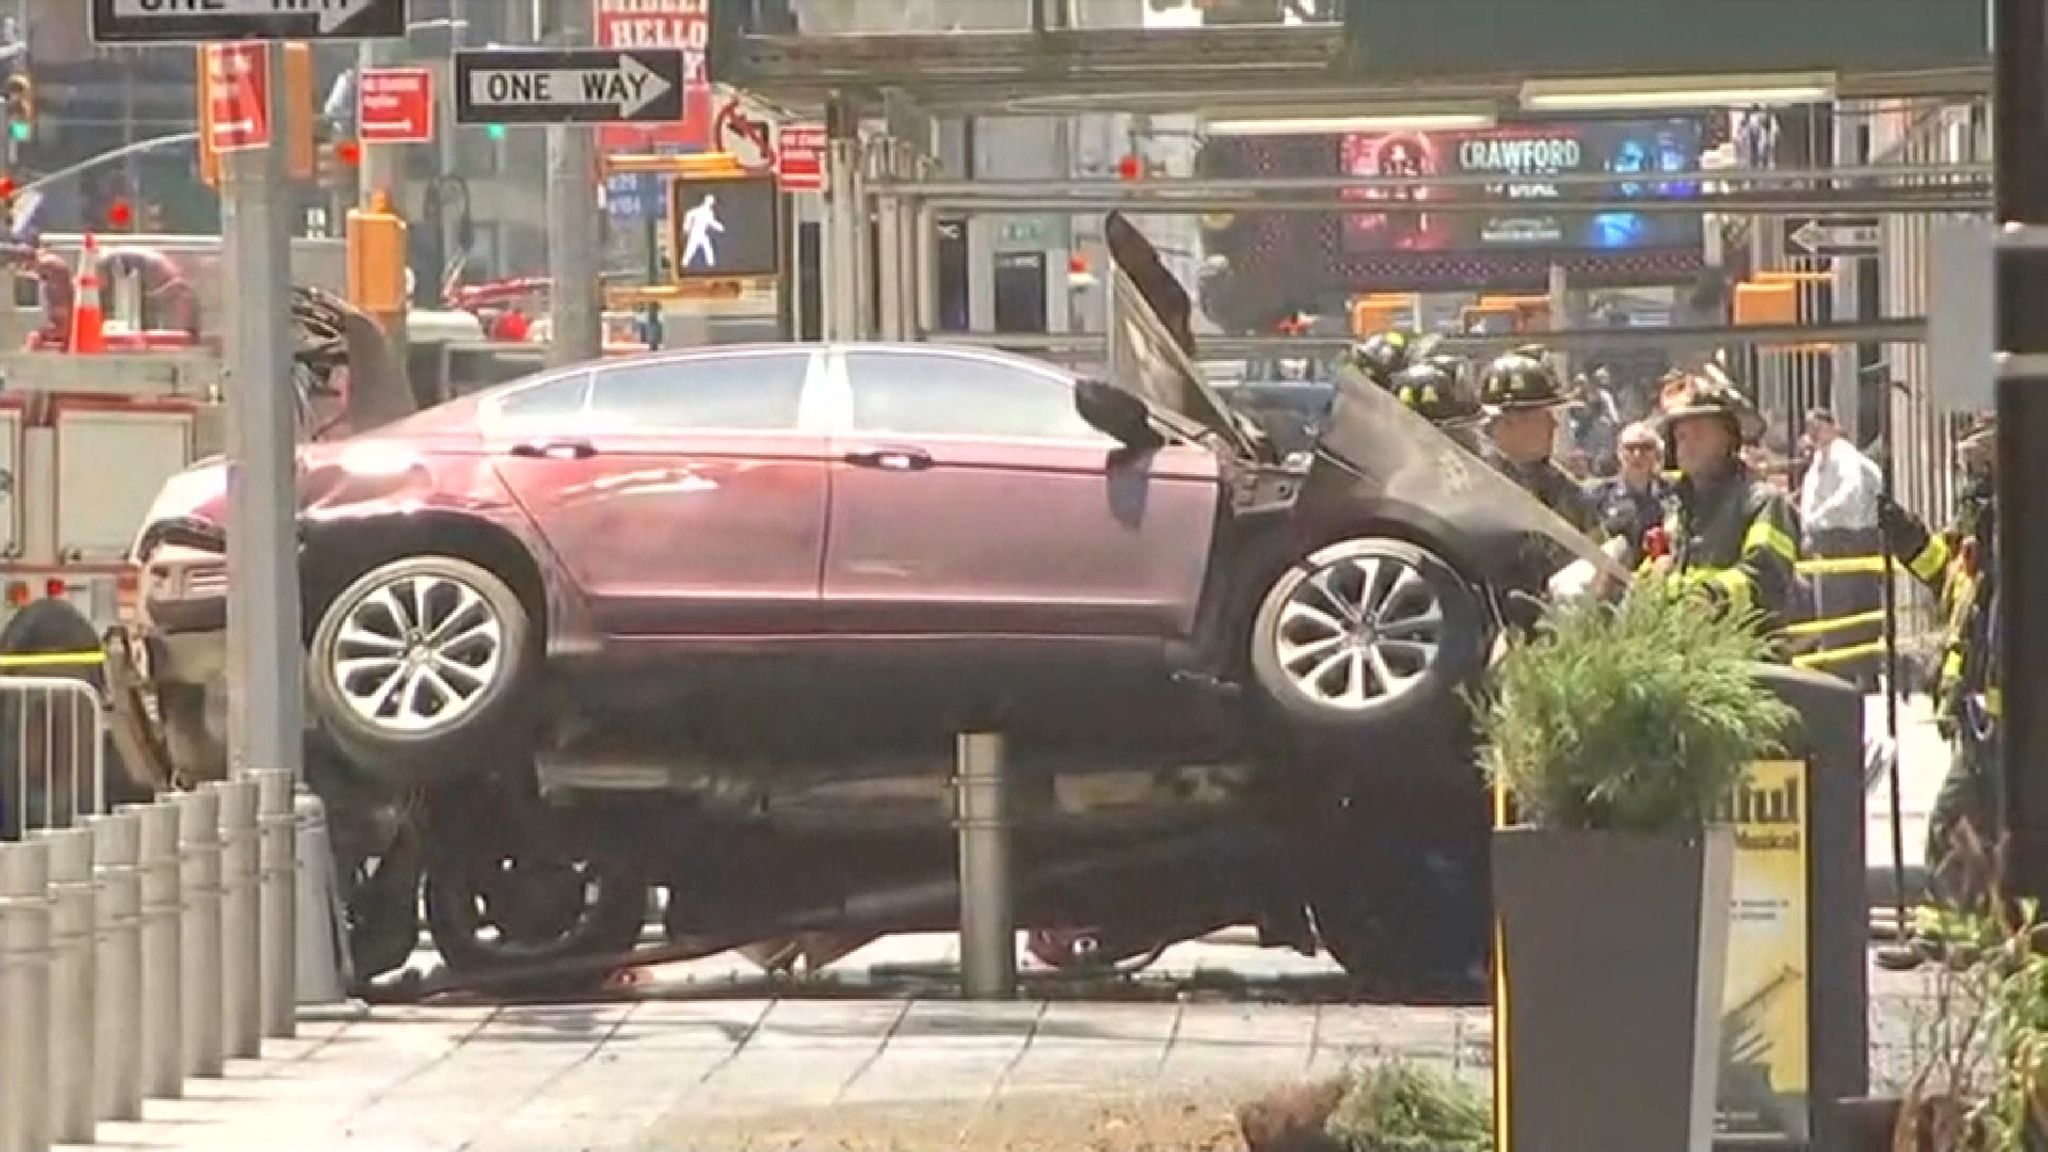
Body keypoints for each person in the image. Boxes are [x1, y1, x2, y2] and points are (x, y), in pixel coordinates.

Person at [1879, 415, 1999, 904]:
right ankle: (1963, 936)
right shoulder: (1973, 538)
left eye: (1982, 463)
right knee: (1976, 826)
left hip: (2000, 716)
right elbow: (1944, 579)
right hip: (1973, 712)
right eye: (1968, 464)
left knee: (1956, 820)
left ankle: (1950, 930)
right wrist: (1907, 537)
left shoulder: (2015, 529)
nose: (1971, 478)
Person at [1644, 370, 1800, 637]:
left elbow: (1767, 578)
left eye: (1699, 434)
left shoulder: (1762, 502)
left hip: (1747, 657)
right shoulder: (1679, 506)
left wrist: (1712, 597)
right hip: (1687, 653)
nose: (1687, 446)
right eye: (1680, 437)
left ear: (1729, 438)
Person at [1798, 408, 1885, 681]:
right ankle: (1860, 672)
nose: (1813, 434)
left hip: (1842, 537)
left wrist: (1819, 517)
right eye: (1809, 428)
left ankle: (1842, 674)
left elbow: (1851, 492)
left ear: (1831, 426)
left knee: (1839, 609)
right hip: (1842, 536)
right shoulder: (1823, 458)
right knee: (1856, 607)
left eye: (1817, 427)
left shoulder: (1841, 454)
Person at [1477, 348, 1602, 537]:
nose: (1554, 424)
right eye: (1544, 415)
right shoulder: (1472, 484)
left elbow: (1599, 550)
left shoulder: (1562, 488)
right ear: (1510, 420)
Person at [1591, 421, 1673, 551]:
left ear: (1657, 452)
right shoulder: (1599, 497)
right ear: (1619, 453)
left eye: (1646, 447)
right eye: (1630, 448)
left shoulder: (1673, 494)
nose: (1638, 455)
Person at [680, 193, 725, 269]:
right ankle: (684, 264)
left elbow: (711, 222)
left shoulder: (709, 212)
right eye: (711, 201)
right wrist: (686, 227)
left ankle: (711, 265)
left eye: (712, 201)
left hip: (702, 233)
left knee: (707, 248)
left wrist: (719, 227)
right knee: (691, 250)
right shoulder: (698, 210)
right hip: (695, 233)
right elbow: (689, 214)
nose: (712, 203)